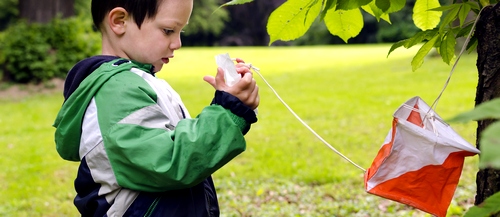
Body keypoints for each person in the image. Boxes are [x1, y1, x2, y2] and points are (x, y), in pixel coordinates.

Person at [53, 0, 259, 216]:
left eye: (180, 31)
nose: (177, 43)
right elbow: (169, 162)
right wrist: (229, 111)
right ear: (119, 21)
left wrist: (231, 106)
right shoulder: (117, 90)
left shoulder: (137, 82)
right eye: (168, 30)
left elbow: (182, 145)